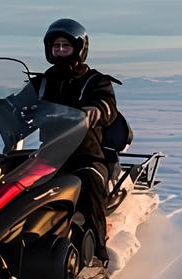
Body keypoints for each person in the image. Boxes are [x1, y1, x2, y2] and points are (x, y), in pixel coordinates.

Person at [31, 18, 121, 260]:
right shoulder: (41, 83)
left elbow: (108, 105)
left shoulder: (95, 80)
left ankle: (98, 255)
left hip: (85, 153)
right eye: (55, 46)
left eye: (66, 46)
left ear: (79, 49)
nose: (60, 51)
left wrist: (97, 109)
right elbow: (18, 102)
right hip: (49, 155)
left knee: (90, 187)